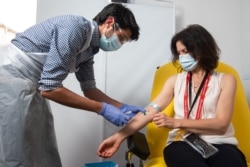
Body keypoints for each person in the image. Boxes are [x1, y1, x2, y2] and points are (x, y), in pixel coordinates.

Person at [0, 3, 145, 167]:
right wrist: (102, 109)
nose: (120, 44)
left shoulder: (90, 49)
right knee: (16, 148)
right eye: (121, 38)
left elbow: (89, 89)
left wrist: (121, 106)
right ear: (110, 22)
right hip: (12, 77)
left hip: (33, 82)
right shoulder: (74, 29)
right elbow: (50, 89)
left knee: (44, 144)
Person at [97, 24, 247, 167]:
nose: (182, 57)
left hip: (220, 143)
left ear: (202, 49)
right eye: (179, 53)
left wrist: (176, 123)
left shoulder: (226, 80)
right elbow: (148, 112)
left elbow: (221, 125)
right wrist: (119, 137)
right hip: (182, 142)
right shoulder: (175, 81)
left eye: (185, 51)